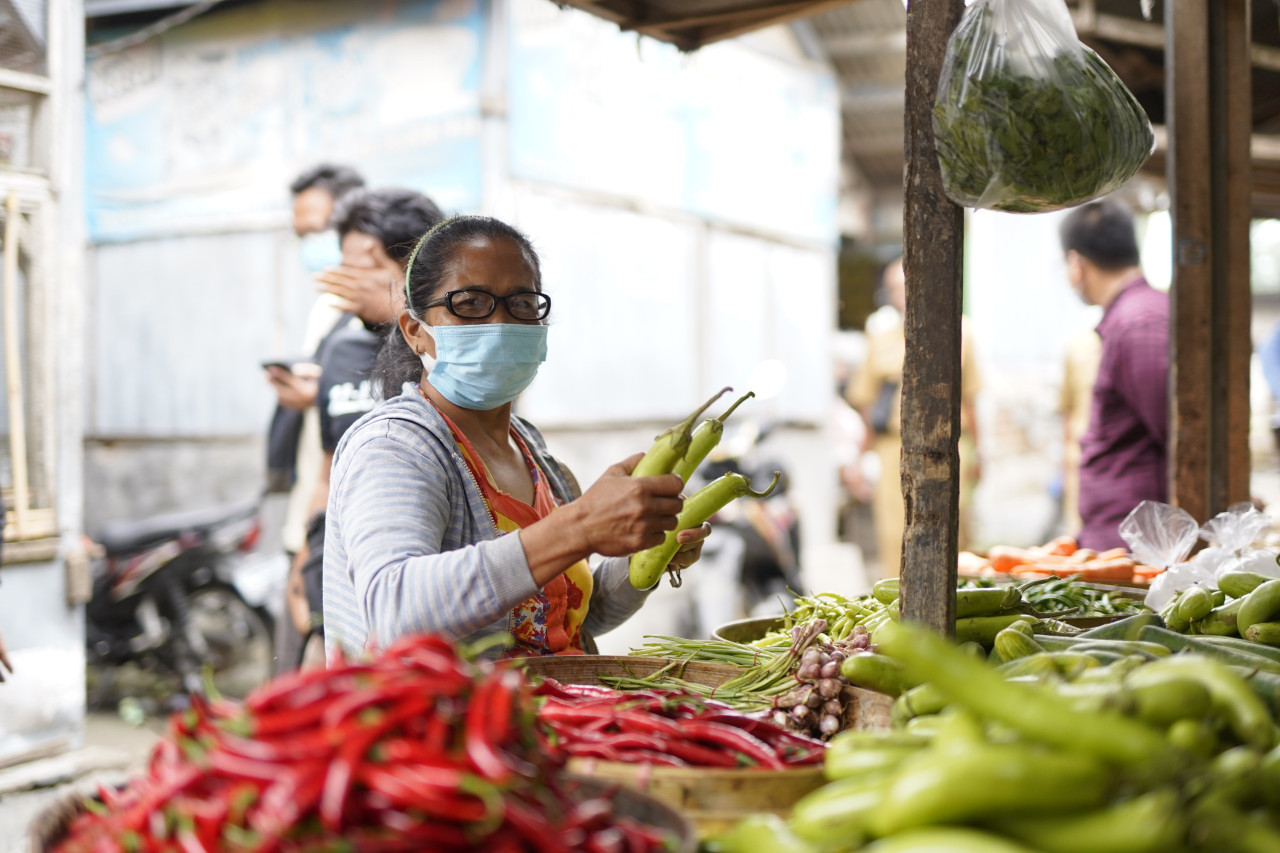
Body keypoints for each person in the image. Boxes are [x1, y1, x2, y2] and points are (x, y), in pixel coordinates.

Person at [323, 216, 711, 659]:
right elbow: (394, 610)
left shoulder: (533, 452)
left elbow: (558, 621)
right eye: (470, 302)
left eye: (523, 304)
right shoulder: (395, 446)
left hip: (556, 700)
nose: (502, 323)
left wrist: (645, 554)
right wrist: (580, 527)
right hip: (449, 706)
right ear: (416, 332)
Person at [286, 187, 445, 666]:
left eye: (367, 265)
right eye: (347, 263)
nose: (349, 279)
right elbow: (327, 469)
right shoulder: (340, 351)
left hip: (420, 594)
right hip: (337, 582)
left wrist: (401, 312)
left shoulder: (446, 350)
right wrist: (303, 560)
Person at [265, 164, 364, 672]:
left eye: (319, 231)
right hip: (310, 518)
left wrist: (323, 393)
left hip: (346, 531)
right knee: (295, 672)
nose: (311, 245)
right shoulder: (326, 309)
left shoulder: (387, 319)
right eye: (301, 235)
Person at [845, 258, 983, 579]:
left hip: (948, 445)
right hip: (894, 449)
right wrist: (858, 458)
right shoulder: (880, 338)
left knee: (953, 530)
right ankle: (899, 603)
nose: (901, 296)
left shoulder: (961, 333)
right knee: (896, 534)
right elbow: (867, 404)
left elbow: (970, 400)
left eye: (905, 287)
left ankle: (960, 600)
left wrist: (979, 451)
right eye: (894, 289)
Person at [1061, 198, 1168, 550]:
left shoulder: (1139, 324)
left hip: (1137, 543)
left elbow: (1176, 433)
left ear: (1076, 263)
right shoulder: (1134, 317)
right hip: (1124, 535)